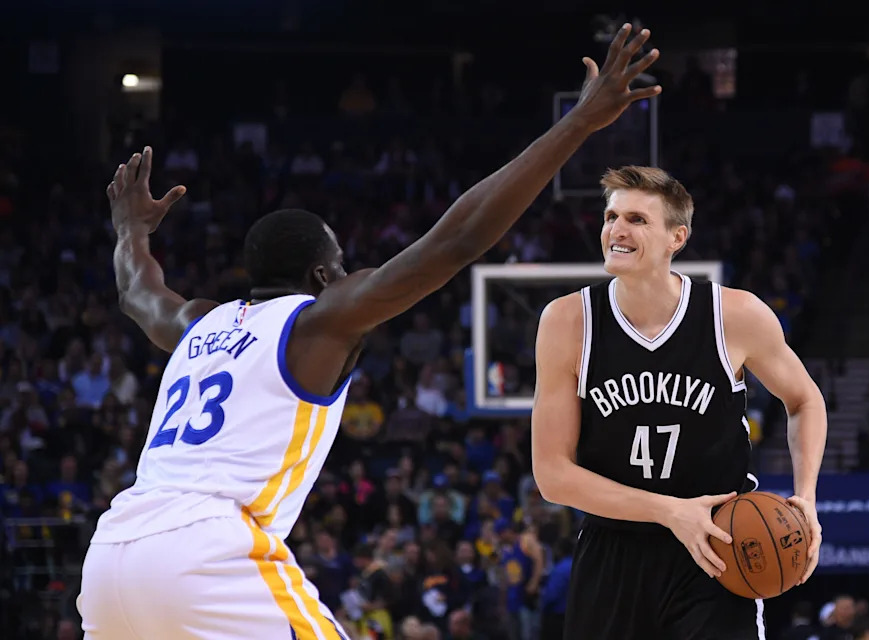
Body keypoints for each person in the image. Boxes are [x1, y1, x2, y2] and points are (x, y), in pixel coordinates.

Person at [76, 22, 663, 640]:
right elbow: (457, 240)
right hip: (204, 550)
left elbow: (136, 291)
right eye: (346, 264)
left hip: (114, 547)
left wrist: (129, 232)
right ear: (325, 273)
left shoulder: (199, 323)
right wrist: (577, 124)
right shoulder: (317, 320)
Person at [531, 165, 826, 639]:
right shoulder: (568, 322)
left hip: (718, 544)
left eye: (637, 219)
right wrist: (668, 510)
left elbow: (804, 400)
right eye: (611, 217)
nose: (616, 230)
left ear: (677, 237)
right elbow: (552, 474)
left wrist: (806, 498)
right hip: (614, 550)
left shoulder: (734, 314)